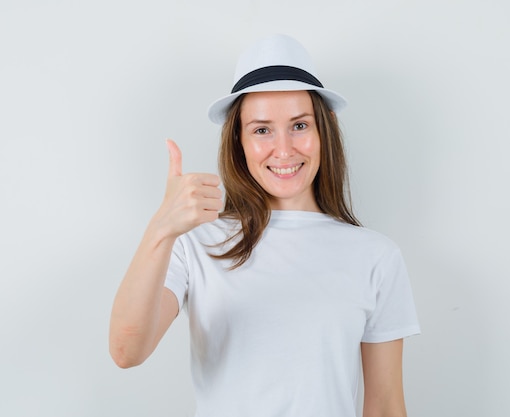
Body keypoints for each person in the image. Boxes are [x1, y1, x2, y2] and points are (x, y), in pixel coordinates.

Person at [109, 34, 420, 417]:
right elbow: (126, 352)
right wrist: (160, 230)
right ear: (238, 140)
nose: (285, 149)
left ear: (325, 129)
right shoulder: (195, 242)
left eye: (300, 126)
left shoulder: (376, 256)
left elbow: (386, 404)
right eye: (261, 130)